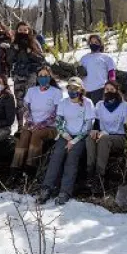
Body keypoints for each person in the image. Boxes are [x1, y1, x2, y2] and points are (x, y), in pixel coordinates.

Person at [38, 77, 95, 205]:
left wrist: (74, 141)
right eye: (70, 87)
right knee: (56, 156)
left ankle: (65, 191)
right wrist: (66, 136)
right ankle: (46, 188)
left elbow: (88, 125)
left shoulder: (87, 103)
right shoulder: (63, 102)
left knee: (72, 159)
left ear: (81, 89)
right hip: (66, 135)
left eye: (75, 88)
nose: (72, 90)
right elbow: (58, 122)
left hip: (80, 137)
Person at [9, 65, 63, 184]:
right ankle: (15, 170)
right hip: (32, 123)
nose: (43, 78)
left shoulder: (56, 92)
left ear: (50, 77)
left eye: (46, 76)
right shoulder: (32, 91)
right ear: (37, 78)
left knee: (36, 135)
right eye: (40, 76)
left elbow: (56, 113)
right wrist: (30, 122)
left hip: (50, 127)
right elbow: (26, 108)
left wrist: (41, 124)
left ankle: (30, 170)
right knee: (24, 135)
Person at [86, 80, 127, 192]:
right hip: (103, 135)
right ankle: (90, 173)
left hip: (119, 137)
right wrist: (94, 131)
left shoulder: (124, 106)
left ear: (117, 91)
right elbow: (97, 124)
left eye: (112, 90)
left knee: (104, 139)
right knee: (90, 138)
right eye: (107, 89)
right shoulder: (99, 105)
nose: (109, 92)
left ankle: (99, 176)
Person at [10, 22, 46, 127]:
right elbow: (9, 60)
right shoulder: (14, 44)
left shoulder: (34, 42)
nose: (23, 32)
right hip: (18, 75)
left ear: (29, 31)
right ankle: (20, 127)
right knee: (19, 102)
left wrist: (31, 52)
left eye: (25, 30)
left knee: (30, 101)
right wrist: (14, 51)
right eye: (20, 30)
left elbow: (42, 59)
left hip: (31, 75)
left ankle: (30, 124)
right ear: (17, 31)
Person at [80, 34, 117, 104]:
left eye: (96, 42)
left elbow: (111, 73)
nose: (93, 44)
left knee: (98, 112)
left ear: (100, 44)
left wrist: (111, 88)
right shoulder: (83, 58)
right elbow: (80, 75)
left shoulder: (106, 57)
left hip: (100, 89)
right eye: (91, 42)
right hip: (85, 91)